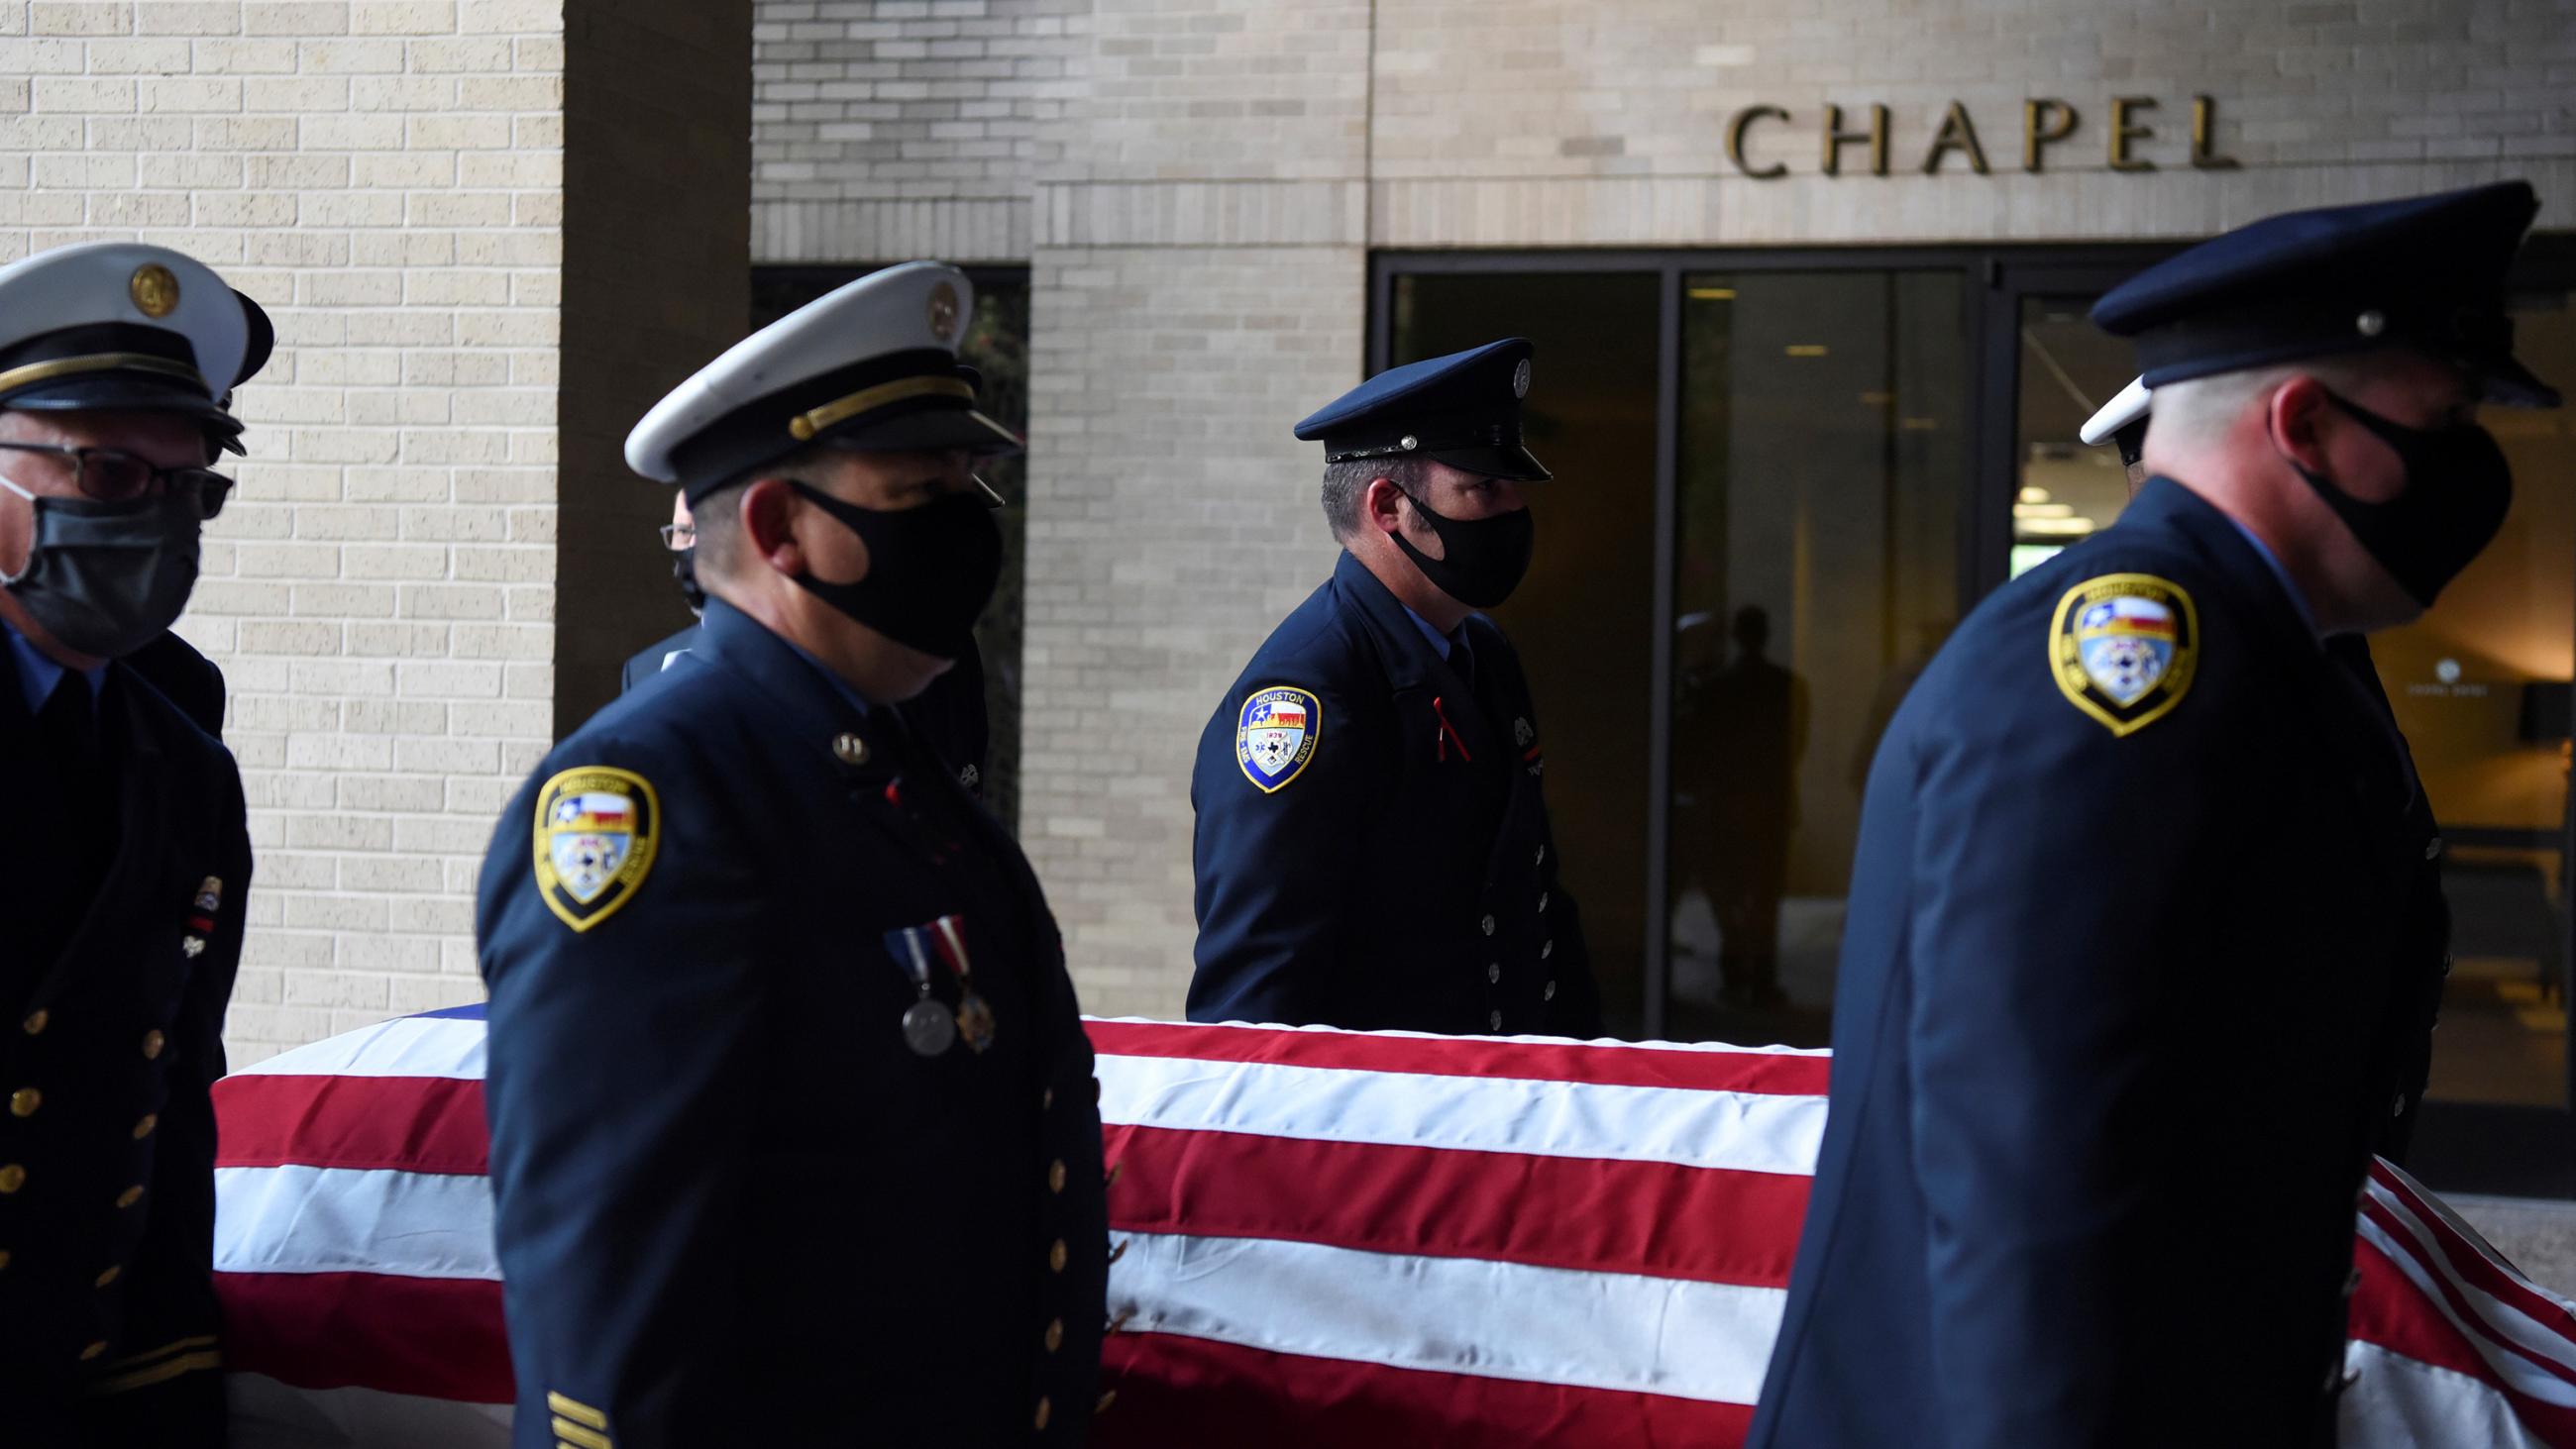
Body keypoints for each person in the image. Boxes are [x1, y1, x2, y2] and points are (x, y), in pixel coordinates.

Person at [1748, 180, 2560, 1448]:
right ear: (2301, 420)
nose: (2467, 459)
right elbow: (2033, 1172)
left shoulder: (2271, 654)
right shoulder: (2132, 659)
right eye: (2444, 415)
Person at [477, 261, 1110, 1447]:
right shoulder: (658, 795)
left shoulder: (892, 765)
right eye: (921, 488)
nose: (967, 524)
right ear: (778, 528)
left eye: (968, 482)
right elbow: (615, 1281)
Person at [0, 242, 269, 1444]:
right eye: (109, 472)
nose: (157, 523)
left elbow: (163, 1101)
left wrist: (163, 1394)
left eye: (187, 488)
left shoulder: (185, 766)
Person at [2086, 374, 2453, 1163]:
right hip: (2210, 1175)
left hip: (2321, 1158)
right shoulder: (2157, 653)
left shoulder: (2309, 637)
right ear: (2293, 432)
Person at [1187, 339, 1602, 1037]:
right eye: (1482, 489)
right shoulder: (1310, 695)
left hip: (1504, 1108)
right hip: (1389, 1131)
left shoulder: (1483, 654)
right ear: (1388, 506)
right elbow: (1255, 1006)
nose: (1512, 512)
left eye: (1511, 486)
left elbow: (1531, 902)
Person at [621, 450, 999, 800]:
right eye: (924, 490)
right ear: (778, 528)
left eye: (961, 488)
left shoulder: (923, 663)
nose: (956, 526)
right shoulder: (648, 739)